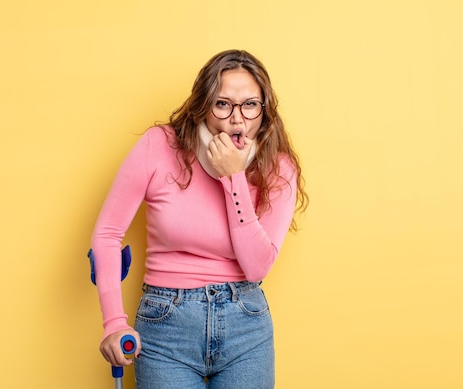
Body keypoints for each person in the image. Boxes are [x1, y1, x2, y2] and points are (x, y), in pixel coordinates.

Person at [90, 49, 308, 388]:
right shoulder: (159, 146)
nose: (237, 119)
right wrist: (114, 323)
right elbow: (107, 233)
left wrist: (233, 178)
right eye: (223, 104)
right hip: (166, 322)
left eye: (250, 105)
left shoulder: (279, 168)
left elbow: (257, 267)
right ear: (203, 106)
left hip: (246, 325)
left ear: (264, 112)